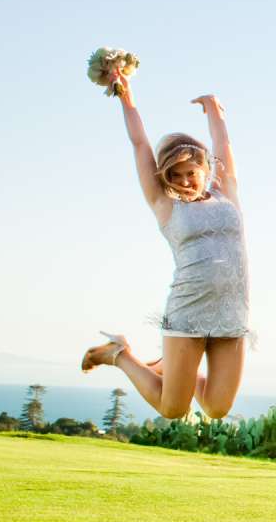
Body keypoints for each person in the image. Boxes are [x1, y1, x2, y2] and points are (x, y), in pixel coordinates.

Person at [80, 74, 249, 420]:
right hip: (187, 312)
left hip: (231, 312)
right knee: (173, 408)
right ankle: (120, 355)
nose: (186, 180)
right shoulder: (166, 207)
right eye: (176, 175)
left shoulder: (226, 193)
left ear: (204, 169)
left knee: (217, 408)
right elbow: (140, 145)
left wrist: (214, 110)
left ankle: (168, 368)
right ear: (165, 179)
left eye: (191, 172)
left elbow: (224, 148)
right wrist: (126, 97)